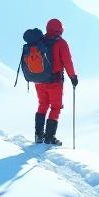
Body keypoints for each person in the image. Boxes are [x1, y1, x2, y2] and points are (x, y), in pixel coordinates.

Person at [35, 18, 78, 146]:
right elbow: (67, 62)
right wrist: (73, 77)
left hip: (39, 81)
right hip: (54, 82)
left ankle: (38, 135)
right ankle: (49, 137)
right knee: (55, 107)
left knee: (43, 105)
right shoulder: (61, 43)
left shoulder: (40, 41)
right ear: (60, 29)